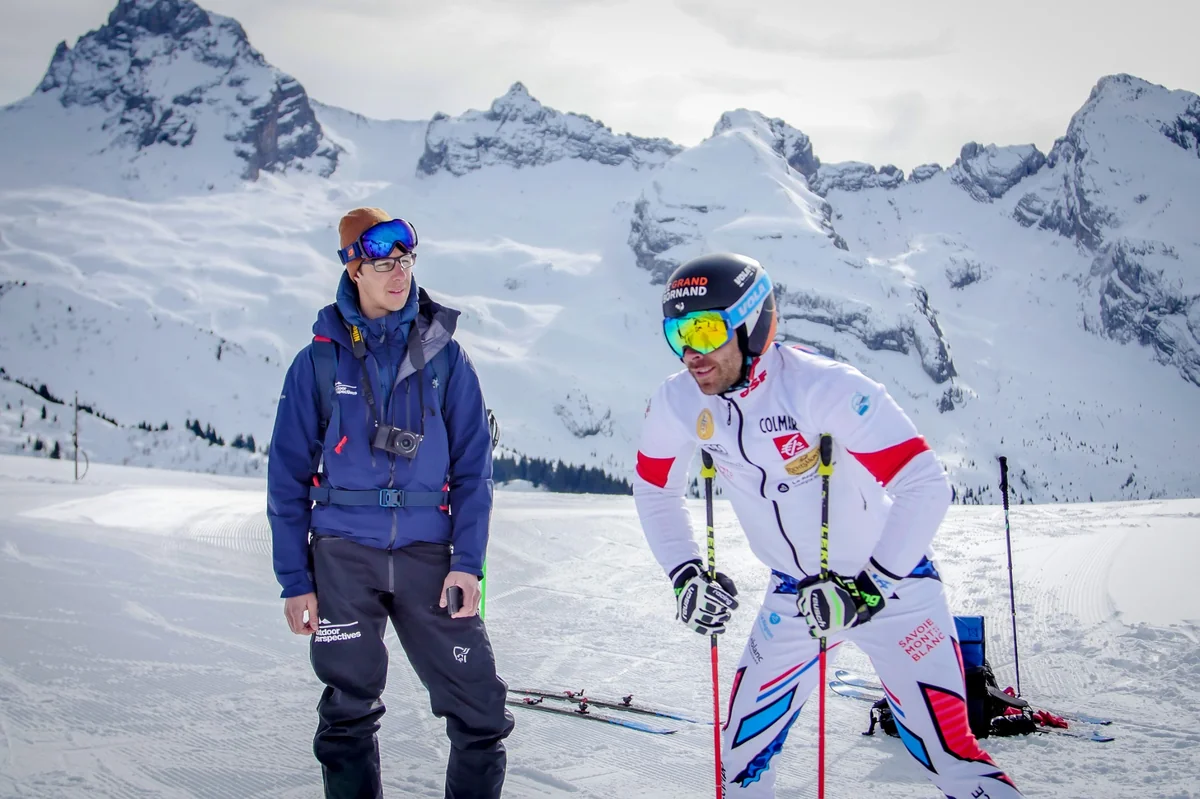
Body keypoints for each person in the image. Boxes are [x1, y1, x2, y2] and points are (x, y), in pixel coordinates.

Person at [632, 252, 1023, 798]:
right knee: (740, 759)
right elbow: (654, 488)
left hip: (894, 590)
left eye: (704, 328)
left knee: (948, 755)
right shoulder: (678, 401)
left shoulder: (823, 387)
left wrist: (868, 591)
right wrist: (684, 572)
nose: (691, 351)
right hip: (793, 595)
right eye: (677, 334)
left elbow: (925, 485)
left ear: (751, 323)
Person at [267, 207, 513, 799]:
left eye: (405, 260)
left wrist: (468, 561)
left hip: (431, 555)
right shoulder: (318, 362)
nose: (399, 273)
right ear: (354, 268)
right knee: (348, 712)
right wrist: (294, 580)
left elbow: (474, 469)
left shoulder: (446, 357)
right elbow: (287, 476)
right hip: (344, 557)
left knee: (479, 710)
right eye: (382, 262)